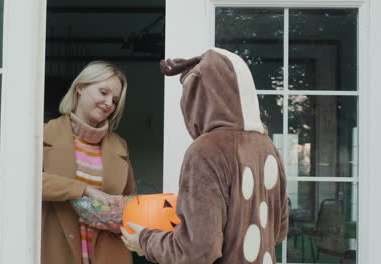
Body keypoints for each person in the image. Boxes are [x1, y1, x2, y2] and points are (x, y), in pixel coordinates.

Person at [121, 48, 289, 264]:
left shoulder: (207, 149)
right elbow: (279, 231)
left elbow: (197, 251)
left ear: (198, 98)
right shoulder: (268, 147)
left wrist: (145, 240)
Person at [42, 61, 136, 264]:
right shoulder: (42, 134)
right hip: (56, 251)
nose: (109, 103)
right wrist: (84, 189)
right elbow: (26, 182)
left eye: (115, 99)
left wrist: (119, 221)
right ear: (80, 87)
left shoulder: (120, 146)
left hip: (109, 253)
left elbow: (131, 201)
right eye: (103, 92)